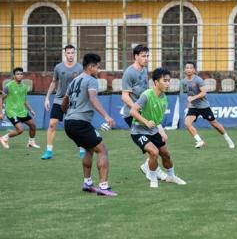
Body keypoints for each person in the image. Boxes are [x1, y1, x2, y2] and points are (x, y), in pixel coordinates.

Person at [63, 53, 117, 196]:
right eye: (98, 67)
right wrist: (106, 116)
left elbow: (65, 100)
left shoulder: (74, 81)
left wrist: (66, 112)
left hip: (69, 122)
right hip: (80, 123)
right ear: (91, 67)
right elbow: (93, 98)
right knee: (102, 150)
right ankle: (104, 187)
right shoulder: (91, 80)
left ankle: (87, 183)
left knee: (89, 149)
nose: (99, 70)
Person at [130, 67, 186, 188]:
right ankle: (153, 178)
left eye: (168, 81)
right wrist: (145, 121)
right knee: (154, 152)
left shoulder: (164, 99)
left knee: (166, 154)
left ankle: (171, 176)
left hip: (153, 131)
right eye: (164, 81)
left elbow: (157, 121)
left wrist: (162, 132)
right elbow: (133, 111)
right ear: (156, 82)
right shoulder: (146, 95)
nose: (167, 83)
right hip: (138, 131)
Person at [120, 45, 167, 180]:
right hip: (132, 114)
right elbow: (124, 96)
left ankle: (148, 166)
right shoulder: (129, 72)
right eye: (143, 56)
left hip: (145, 112)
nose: (146, 59)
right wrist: (136, 107)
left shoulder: (144, 70)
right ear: (136, 56)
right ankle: (154, 169)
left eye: (147, 56)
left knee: (158, 142)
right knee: (152, 146)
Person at [41, 45, 84, 160]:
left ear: (75, 54)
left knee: (77, 126)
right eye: (68, 53)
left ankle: (82, 149)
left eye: (72, 53)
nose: (70, 55)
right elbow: (53, 82)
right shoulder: (58, 67)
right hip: (59, 100)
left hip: (73, 101)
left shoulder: (79, 68)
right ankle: (49, 151)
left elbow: (82, 84)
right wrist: (47, 98)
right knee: (52, 124)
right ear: (65, 54)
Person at [182, 62, 235, 149]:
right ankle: (200, 141)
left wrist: (193, 98)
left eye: (191, 68)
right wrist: (189, 102)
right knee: (187, 123)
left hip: (203, 106)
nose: (188, 69)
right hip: (193, 106)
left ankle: (228, 138)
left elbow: (204, 92)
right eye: (187, 68)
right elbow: (190, 93)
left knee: (215, 124)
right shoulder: (183, 81)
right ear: (185, 70)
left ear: (194, 70)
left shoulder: (198, 80)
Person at [0, 68, 40, 149]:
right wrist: (1, 112)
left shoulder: (24, 87)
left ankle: (31, 143)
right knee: (20, 130)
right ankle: (4, 138)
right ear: (14, 76)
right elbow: (1, 99)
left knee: (33, 126)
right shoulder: (8, 86)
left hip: (22, 111)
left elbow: (24, 100)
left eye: (21, 74)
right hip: (12, 111)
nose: (20, 75)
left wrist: (31, 110)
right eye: (17, 74)